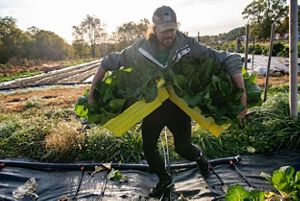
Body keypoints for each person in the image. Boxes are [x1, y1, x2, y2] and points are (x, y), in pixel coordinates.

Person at [88, 5, 247, 198]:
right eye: (164, 30)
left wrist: (242, 93)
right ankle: (164, 179)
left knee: (183, 148)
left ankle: (200, 158)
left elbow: (226, 59)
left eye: (172, 29)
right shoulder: (141, 49)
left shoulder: (187, 45)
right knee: (148, 146)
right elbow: (109, 61)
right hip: (151, 106)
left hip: (178, 106)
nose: (169, 34)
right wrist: (92, 91)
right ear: (154, 29)